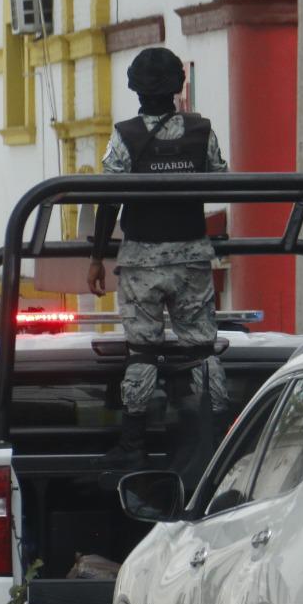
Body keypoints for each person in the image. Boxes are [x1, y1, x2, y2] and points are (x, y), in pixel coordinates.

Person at [88, 47, 229, 470]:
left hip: (141, 261)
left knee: (143, 352)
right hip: (192, 258)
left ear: (134, 88)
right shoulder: (201, 130)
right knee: (202, 350)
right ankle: (208, 442)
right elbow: (222, 179)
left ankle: (132, 446)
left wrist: (97, 258)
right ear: (178, 86)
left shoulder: (125, 135)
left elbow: (108, 199)